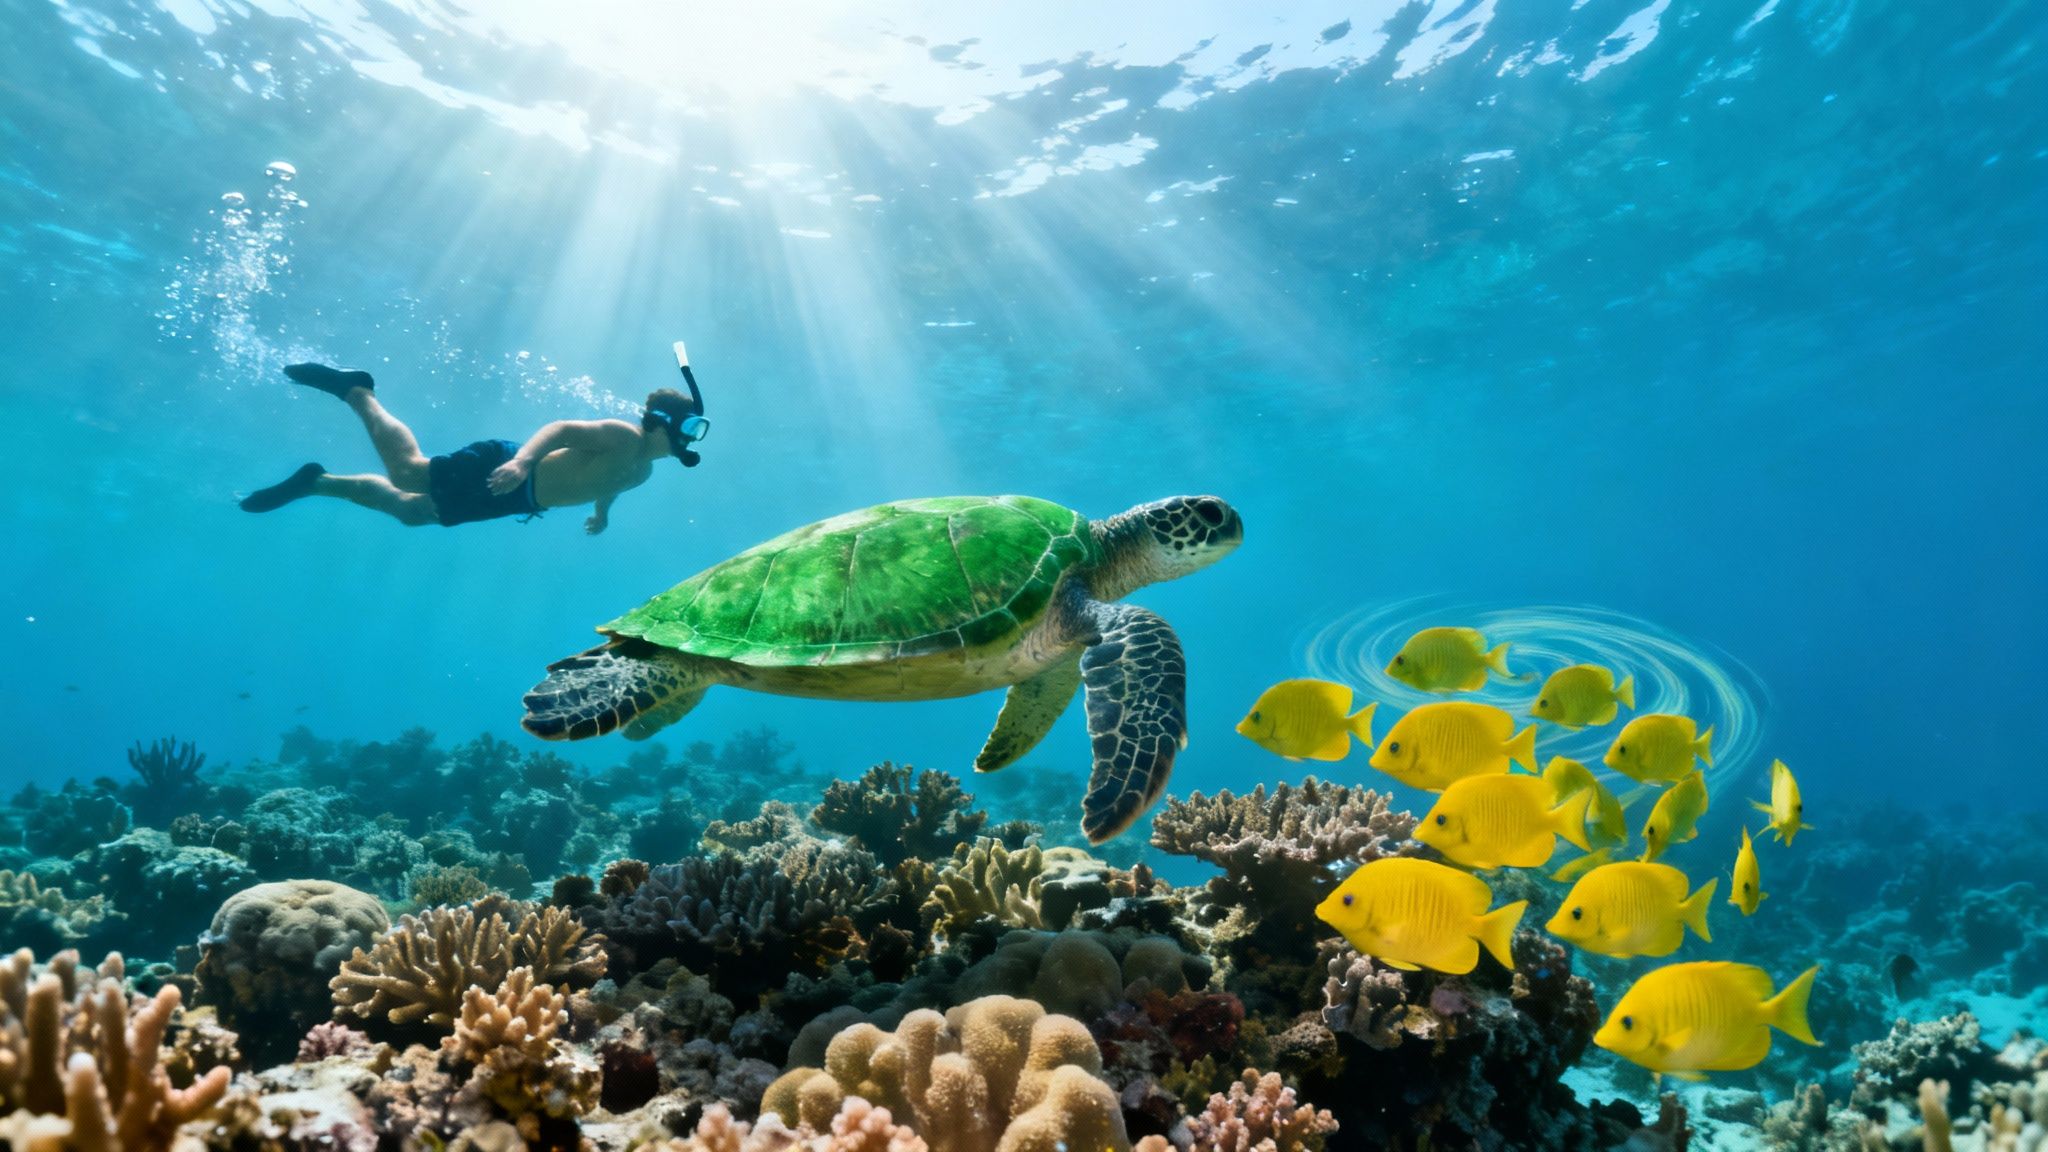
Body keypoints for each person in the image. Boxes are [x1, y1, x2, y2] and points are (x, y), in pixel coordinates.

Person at [239, 362, 704, 532]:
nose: (693, 439)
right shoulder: (622, 436)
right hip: (508, 466)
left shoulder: (642, 472)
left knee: (412, 513)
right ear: (664, 424)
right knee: (408, 474)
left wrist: (602, 515)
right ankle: (357, 390)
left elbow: (609, 486)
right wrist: (522, 461)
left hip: (514, 500)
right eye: (692, 427)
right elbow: (561, 429)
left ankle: (316, 483)